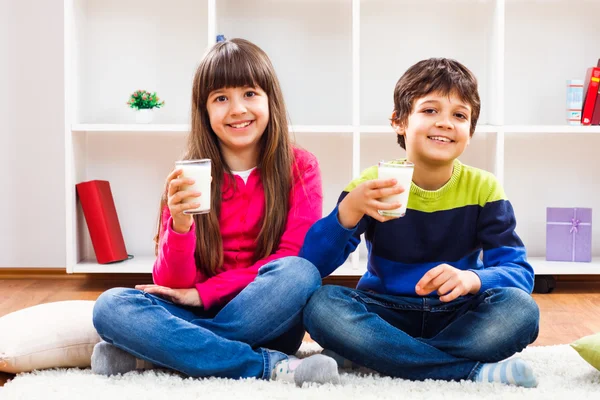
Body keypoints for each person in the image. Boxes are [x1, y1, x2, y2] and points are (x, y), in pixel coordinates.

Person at [91, 38, 340, 386]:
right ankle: (264, 366)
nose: (237, 109)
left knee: (300, 273)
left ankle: (162, 351)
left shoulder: (300, 167)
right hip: (196, 310)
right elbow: (171, 285)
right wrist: (179, 225)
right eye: (221, 98)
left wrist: (205, 293)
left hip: (267, 315)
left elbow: (290, 258)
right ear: (205, 111)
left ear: (271, 101)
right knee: (110, 305)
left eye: (250, 93)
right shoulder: (187, 175)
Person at [300, 58, 539, 387]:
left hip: (456, 313)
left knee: (521, 310)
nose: (445, 123)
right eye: (430, 111)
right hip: (385, 311)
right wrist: (348, 211)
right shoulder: (373, 183)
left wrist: (472, 279)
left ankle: (374, 356)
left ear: (470, 132)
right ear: (399, 121)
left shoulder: (484, 189)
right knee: (321, 306)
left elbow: (519, 274)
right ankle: (467, 371)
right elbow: (313, 263)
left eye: (459, 115)